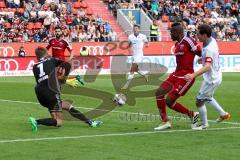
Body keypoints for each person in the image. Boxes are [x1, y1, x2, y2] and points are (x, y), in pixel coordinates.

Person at [28, 47, 102, 132]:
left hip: (40, 93)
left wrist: (67, 79)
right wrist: (66, 78)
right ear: (46, 53)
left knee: (66, 107)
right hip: (51, 91)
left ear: (37, 56)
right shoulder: (52, 60)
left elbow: (44, 79)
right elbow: (67, 65)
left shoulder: (34, 67)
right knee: (59, 122)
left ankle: (90, 122)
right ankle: (36, 121)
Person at [154, 22, 201, 131]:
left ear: (177, 33)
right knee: (159, 92)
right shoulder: (177, 44)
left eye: (171, 33)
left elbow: (200, 52)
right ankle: (165, 122)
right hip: (176, 74)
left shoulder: (188, 41)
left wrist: (203, 59)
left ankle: (192, 114)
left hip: (186, 76)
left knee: (169, 101)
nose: (170, 35)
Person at [184, 24, 230, 130]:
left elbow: (208, 66)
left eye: (198, 34)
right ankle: (223, 114)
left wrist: (192, 75)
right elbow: (209, 60)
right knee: (207, 97)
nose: (196, 35)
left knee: (199, 101)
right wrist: (203, 59)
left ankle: (204, 125)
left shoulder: (209, 48)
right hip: (216, 76)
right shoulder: (211, 40)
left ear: (204, 35)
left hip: (211, 79)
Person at [121, 24, 149, 90]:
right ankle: (145, 75)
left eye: (136, 28)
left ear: (139, 29)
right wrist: (127, 47)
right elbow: (130, 44)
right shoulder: (130, 36)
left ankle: (126, 85)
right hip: (134, 55)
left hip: (139, 55)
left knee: (132, 70)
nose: (135, 30)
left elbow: (147, 42)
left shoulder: (143, 36)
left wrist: (147, 45)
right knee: (136, 69)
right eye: (134, 29)